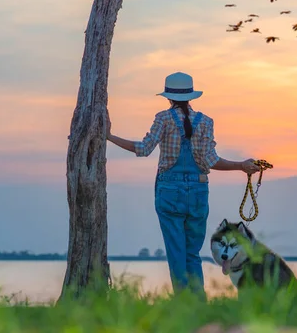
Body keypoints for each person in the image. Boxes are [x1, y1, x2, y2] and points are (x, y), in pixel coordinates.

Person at [106, 71, 260, 300]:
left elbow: (143, 149)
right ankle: (198, 302)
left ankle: (182, 303)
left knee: (176, 252)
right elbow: (211, 161)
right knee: (192, 253)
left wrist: (109, 136)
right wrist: (241, 165)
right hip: (198, 192)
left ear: (168, 97)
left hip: (169, 191)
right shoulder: (206, 122)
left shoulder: (163, 118)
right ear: (191, 96)